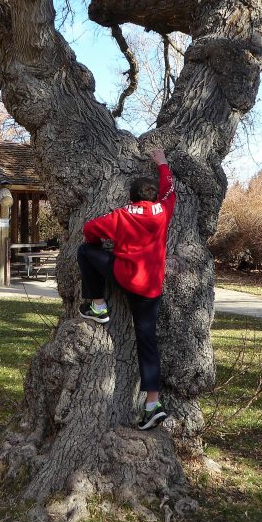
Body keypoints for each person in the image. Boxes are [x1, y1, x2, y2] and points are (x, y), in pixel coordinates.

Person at [77, 148, 176, 430]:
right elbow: (170, 189)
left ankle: (97, 305)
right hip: (151, 289)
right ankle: (152, 403)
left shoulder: (122, 214)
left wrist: (104, 241)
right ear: (152, 196)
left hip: (123, 276)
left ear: (131, 197)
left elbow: (89, 229)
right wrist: (162, 163)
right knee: (147, 342)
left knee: (86, 251)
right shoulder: (163, 210)